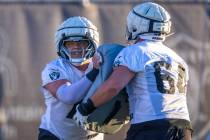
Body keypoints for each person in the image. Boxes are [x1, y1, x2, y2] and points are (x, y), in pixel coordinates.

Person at [73, 2, 193, 140]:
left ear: (136, 25)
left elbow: (113, 87)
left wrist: (86, 108)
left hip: (151, 127)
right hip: (184, 129)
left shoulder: (136, 51)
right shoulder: (178, 59)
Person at [38, 16, 104, 140]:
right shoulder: (54, 68)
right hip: (56, 135)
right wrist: (94, 72)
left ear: (92, 42)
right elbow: (68, 96)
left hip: (92, 137)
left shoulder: (103, 64)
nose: (76, 47)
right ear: (62, 45)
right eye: (70, 43)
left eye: (81, 42)